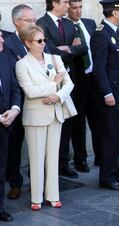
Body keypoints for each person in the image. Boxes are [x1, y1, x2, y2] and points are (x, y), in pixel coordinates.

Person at [16, 24, 74, 210]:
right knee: (36, 158)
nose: (43, 44)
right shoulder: (22, 64)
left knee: (53, 157)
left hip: (56, 113)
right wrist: (53, 85)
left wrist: (58, 95)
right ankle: (36, 198)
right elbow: (30, 91)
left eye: (44, 40)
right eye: (38, 41)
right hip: (35, 117)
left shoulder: (54, 58)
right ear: (28, 43)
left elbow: (69, 83)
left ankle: (53, 195)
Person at [37, 0, 88, 179]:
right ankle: (51, 165)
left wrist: (67, 49)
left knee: (68, 123)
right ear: (54, 3)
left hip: (71, 80)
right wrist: (70, 49)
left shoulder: (68, 23)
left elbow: (83, 48)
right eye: (65, 2)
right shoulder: (41, 24)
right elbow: (48, 51)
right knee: (55, 124)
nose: (68, 6)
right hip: (52, 82)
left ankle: (63, 163)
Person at [90, 0, 119, 191]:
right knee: (110, 136)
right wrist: (107, 93)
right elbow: (99, 69)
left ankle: (115, 172)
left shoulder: (113, 32)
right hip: (110, 95)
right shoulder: (101, 35)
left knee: (117, 135)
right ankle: (106, 177)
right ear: (114, 12)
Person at [3, 4, 36, 201]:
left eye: (34, 20)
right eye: (29, 20)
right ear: (17, 22)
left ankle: (40, 181)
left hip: (39, 103)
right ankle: (15, 183)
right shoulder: (7, 43)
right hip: (18, 103)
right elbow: (13, 72)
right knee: (15, 147)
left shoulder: (39, 37)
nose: (33, 23)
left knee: (38, 145)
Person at [67, 0, 100, 172]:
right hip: (77, 80)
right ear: (67, 8)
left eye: (80, 7)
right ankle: (81, 159)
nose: (78, 11)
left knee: (97, 119)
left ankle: (100, 156)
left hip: (94, 78)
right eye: (74, 8)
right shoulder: (64, 27)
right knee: (78, 122)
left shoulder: (90, 23)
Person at [0, 30, 21, 222]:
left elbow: (14, 87)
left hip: (5, 124)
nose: (1, 40)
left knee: (1, 169)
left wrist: (14, 109)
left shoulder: (4, 58)